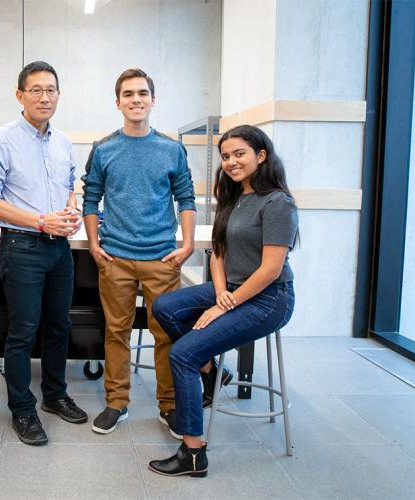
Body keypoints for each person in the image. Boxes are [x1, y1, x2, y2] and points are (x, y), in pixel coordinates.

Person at [148, 124, 298, 477]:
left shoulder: (279, 203)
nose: (231, 162)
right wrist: (220, 293)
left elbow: (271, 270)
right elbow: (218, 252)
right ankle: (214, 372)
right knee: (164, 307)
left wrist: (223, 306)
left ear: (261, 156)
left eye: (239, 154)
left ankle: (193, 453)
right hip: (230, 287)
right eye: (226, 156)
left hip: (268, 299)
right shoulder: (233, 197)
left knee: (183, 354)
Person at [0, 61, 88, 446]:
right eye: (36, 89)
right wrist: (41, 221)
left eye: (51, 89)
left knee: (60, 326)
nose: (45, 96)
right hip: (21, 247)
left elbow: (70, 183)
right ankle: (22, 410)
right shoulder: (0, 140)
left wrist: (70, 210)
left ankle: (55, 395)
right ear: (19, 94)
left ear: (59, 94)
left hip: (60, 248)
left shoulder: (63, 141)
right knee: (23, 331)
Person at [82, 68, 197, 436]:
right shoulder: (103, 149)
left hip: (161, 258)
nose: (136, 99)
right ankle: (117, 402)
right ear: (118, 103)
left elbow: (186, 197)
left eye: (142, 93)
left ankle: (169, 405)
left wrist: (188, 244)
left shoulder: (171, 149)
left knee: (166, 334)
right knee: (116, 332)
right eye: (128, 94)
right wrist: (96, 245)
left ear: (152, 100)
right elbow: (90, 197)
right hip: (115, 259)